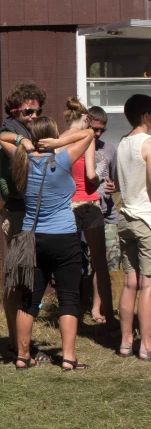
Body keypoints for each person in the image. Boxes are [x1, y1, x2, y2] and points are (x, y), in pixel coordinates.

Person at [2, 117, 94, 370]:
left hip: (34, 239)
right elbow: (87, 134)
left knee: (28, 300)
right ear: (51, 136)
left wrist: (24, 142)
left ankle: (22, 355)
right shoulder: (62, 161)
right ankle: (68, 357)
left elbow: (2, 138)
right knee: (68, 299)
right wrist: (62, 141)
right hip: (64, 237)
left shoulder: (23, 159)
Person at [0, 81, 48, 361]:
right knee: (17, 280)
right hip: (17, 213)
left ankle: (18, 341)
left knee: (21, 278)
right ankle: (17, 344)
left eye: (38, 111)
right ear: (14, 112)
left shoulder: (20, 132)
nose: (34, 116)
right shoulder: (10, 135)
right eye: (28, 112)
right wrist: (22, 141)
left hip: (23, 213)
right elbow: (4, 142)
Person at [60, 98, 115, 325]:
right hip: (89, 204)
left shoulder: (60, 139)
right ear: (85, 119)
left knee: (70, 261)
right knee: (100, 263)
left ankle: (70, 314)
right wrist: (97, 181)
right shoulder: (88, 139)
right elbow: (91, 174)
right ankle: (110, 317)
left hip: (66, 204)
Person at [115, 94, 151, 360]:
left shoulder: (122, 143)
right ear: (145, 116)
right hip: (145, 218)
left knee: (130, 282)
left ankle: (126, 342)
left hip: (124, 218)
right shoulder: (147, 143)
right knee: (148, 285)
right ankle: (146, 345)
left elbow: (117, 183)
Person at [88, 107, 121, 274]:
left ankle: (100, 300)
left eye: (102, 130)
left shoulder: (110, 149)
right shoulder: (76, 149)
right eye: (95, 129)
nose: (98, 134)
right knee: (85, 266)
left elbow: (115, 179)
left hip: (108, 214)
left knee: (108, 265)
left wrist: (114, 187)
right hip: (85, 213)